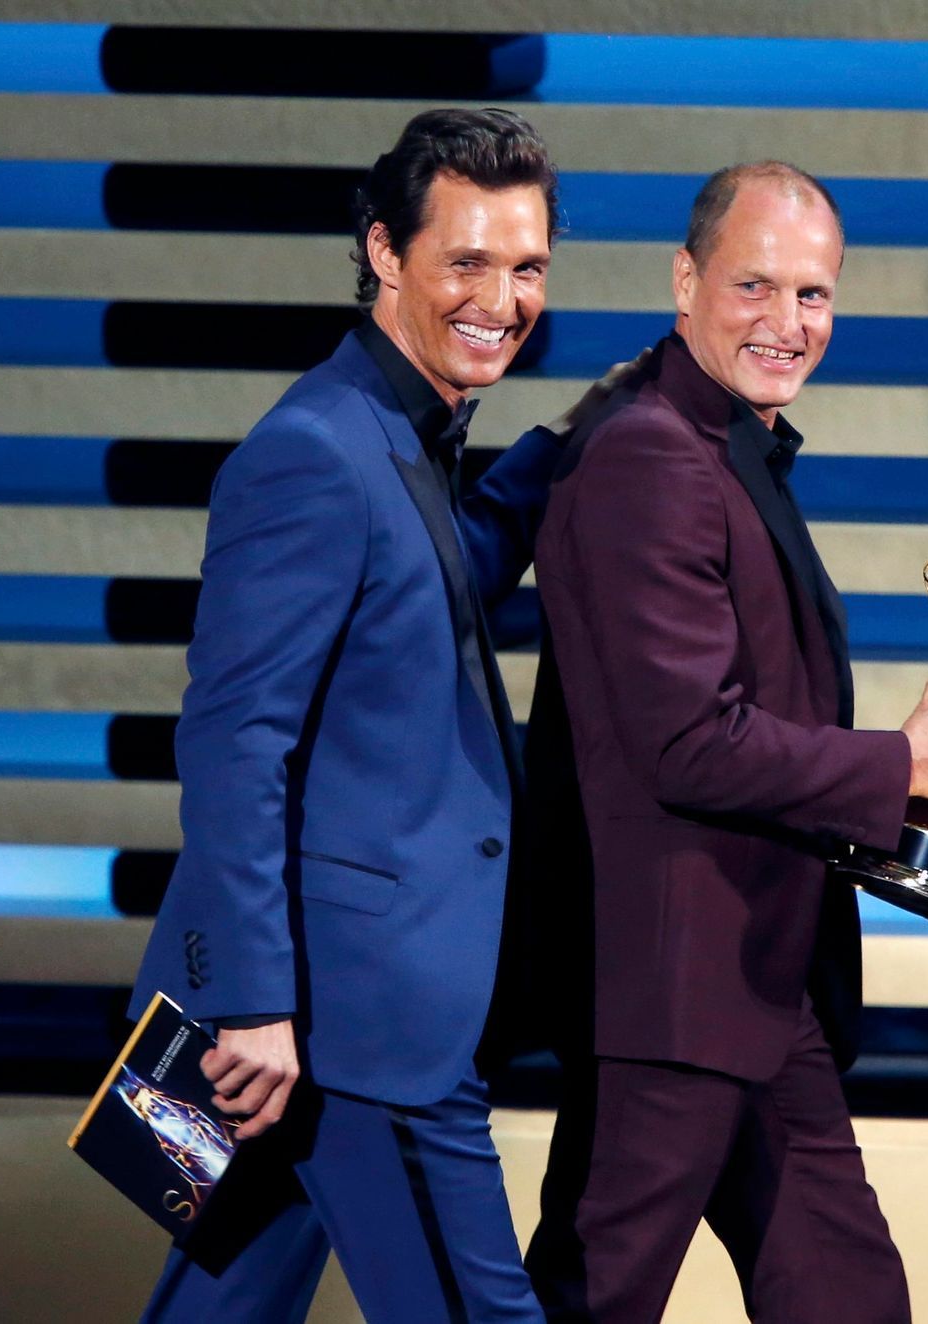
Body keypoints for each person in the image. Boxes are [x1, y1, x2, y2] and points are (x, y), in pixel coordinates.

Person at [126, 107, 637, 1323]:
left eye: (525, 268)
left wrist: (571, 439)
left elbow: (433, 570)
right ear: (383, 251)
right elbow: (233, 737)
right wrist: (252, 1002)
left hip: (330, 1009)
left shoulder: (403, 435)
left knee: (220, 1309)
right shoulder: (311, 452)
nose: (502, 298)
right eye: (466, 261)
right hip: (342, 1021)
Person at [519, 161, 928, 1324]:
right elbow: (685, 743)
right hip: (666, 988)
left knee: (845, 1295)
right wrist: (896, 764)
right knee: (591, 1299)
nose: (786, 322)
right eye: (755, 286)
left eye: (813, 294)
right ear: (685, 278)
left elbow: (734, 719)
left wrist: (906, 789)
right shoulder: (651, 454)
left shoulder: (719, 447)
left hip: (753, 975)